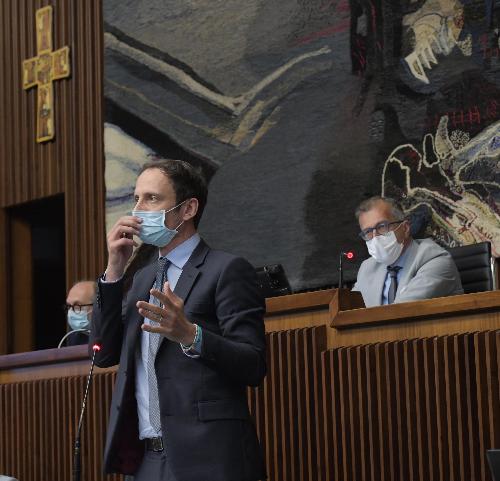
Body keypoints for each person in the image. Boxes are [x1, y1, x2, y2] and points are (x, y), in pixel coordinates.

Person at [91, 159, 267, 481]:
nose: (138, 210)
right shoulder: (140, 280)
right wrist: (114, 271)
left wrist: (191, 335)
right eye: (136, 199)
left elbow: (254, 364)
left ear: (188, 209)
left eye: (152, 199)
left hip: (209, 459)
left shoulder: (226, 270)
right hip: (145, 459)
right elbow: (103, 354)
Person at [352, 196, 463, 307]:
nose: (375, 237)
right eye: (368, 232)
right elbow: (348, 313)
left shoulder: (435, 261)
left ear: (405, 228)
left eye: (382, 226)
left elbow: (400, 313)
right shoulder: (367, 268)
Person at [64, 280, 96, 346]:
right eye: (69, 306)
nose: (71, 312)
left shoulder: (114, 334)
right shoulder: (74, 336)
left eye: (77, 305)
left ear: (97, 306)